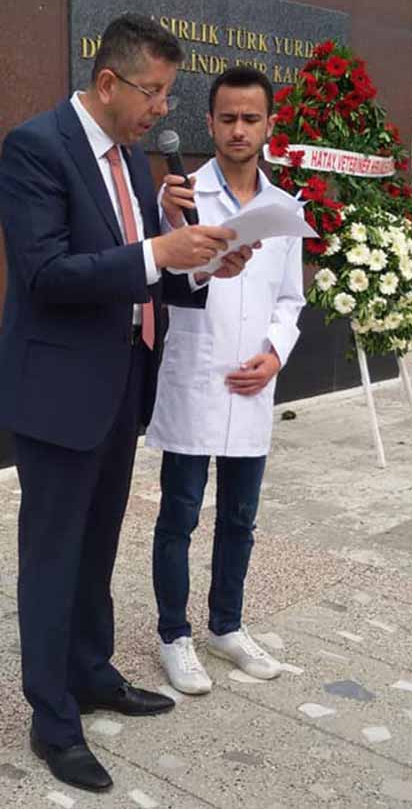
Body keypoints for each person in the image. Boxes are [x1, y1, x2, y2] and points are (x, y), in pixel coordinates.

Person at [0, 16, 253, 792]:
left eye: (169, 94)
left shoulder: (133, 161)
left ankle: (91, 672)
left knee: (99, 543)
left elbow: (143, 274)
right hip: (58, 393)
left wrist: (202, 264)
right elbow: (46, 274)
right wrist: (155, 251)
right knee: (53, 558)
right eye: (154, 92)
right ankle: (53, 721)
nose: (162, 110)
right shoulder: (34, 148)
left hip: (121, 385)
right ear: (108, 82)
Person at [146, 66, 305, 695]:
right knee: (179, 515)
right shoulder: (182, 198)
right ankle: (173, 635)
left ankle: (226, 626)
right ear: (209, 123)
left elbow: (290, 298)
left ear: (269, 125)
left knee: (240, 518)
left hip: (253, 383)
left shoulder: (283, 209)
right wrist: (175, 231)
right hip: (195, 376)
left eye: (251, 118)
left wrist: (276, 354)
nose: (239, 130)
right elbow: (160, 279)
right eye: (228, 118)